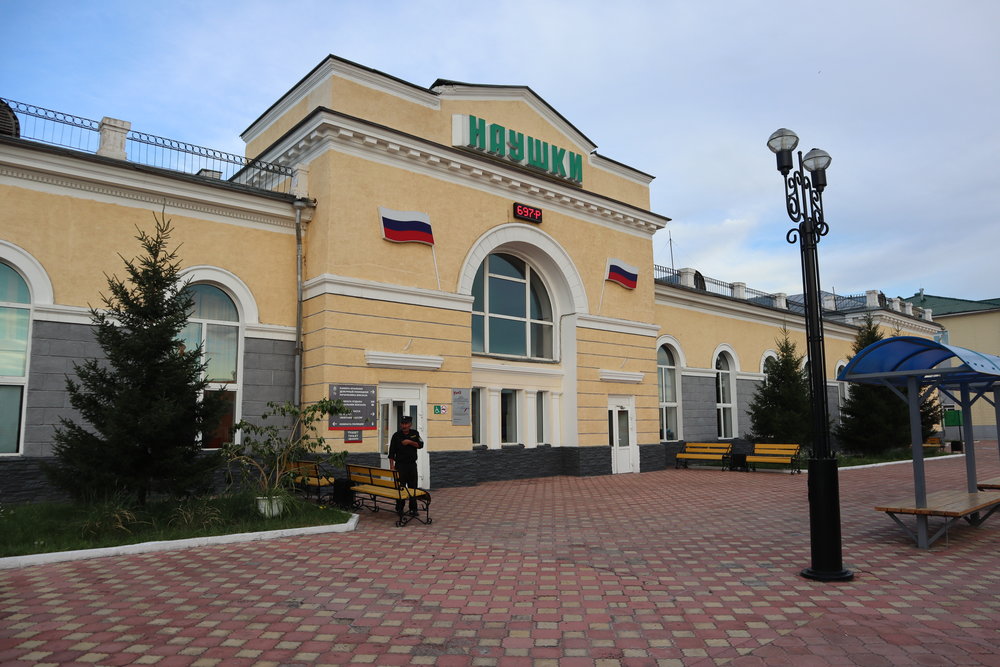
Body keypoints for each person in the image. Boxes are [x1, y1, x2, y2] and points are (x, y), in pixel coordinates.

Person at [388, 415, 423, 515]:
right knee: (401, 488)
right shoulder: (396, 435)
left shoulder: (415, 433)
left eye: (406, 424)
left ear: (410, 424)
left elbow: (420, 445)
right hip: (400, 466)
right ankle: (399, 508)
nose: (404, 426)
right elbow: (391, 452)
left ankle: (413, 509)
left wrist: (410, 442)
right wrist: (392, 466)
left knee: (413, 487)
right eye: (402, 424)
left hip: (411, 466)